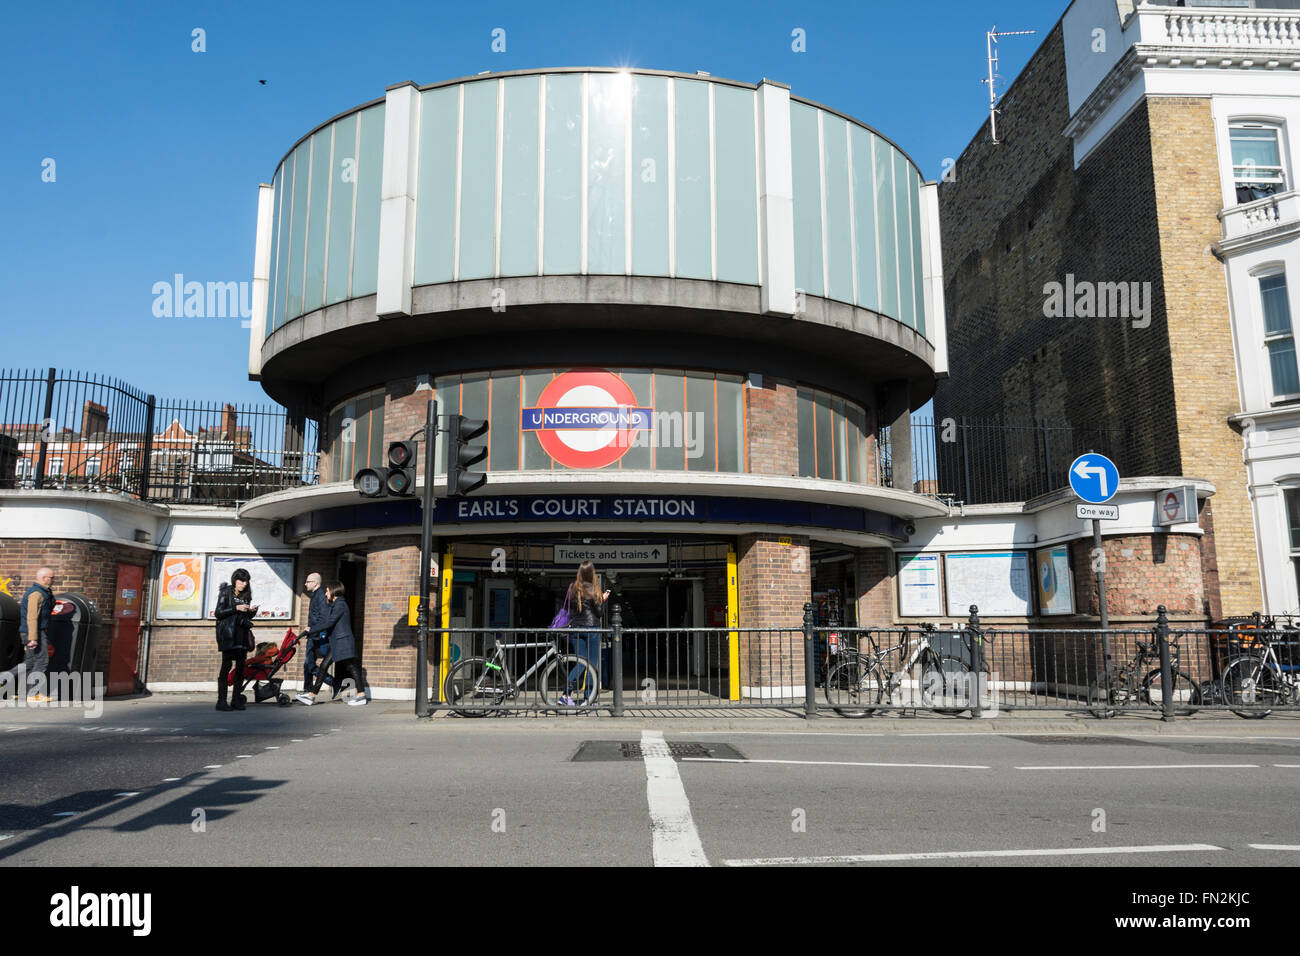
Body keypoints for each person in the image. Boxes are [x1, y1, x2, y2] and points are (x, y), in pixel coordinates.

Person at [305, 581, 367, 707]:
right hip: (337, 642)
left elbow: (329, 623)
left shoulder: (340, 605)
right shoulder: (336, 605)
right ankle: (311, 695)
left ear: (333, 591)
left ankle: (361, 696)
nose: (325, 594)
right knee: (324, 666)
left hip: (342, 642)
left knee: (351, 667)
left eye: (327, 591)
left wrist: (312, 629)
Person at [3, 567, 55, 702]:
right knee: (42, 661)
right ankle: (32, 694)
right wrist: (33, 638)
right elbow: (31, 616)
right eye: (52, 577)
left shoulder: (44, 592)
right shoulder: (36, 593)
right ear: (44, 578)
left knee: (30, 662)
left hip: (32, 632)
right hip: (35, 632)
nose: (53, 580)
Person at [561, 561, 608, 706]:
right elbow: (599, 613)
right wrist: (603, 599)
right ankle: (588, 699)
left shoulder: (572, 588)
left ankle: (565, 695)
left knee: (580, 663)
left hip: (576, 630)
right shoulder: (594, 589)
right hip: (592, 629)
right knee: (591, 665)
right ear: (592, 573)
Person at [213, 568, 257, 712]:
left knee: (240, 669)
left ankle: (236, 700)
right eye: (241, 581)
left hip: (241, 636)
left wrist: (252, 612)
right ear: (235, 580)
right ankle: (221, 701)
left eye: (246, 581)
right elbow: (218, 613)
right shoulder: (226, 592)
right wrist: (236, 607)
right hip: (228, 636)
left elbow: (244, 617)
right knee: (226, 667)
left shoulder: (246, 594)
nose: (244, 584)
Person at [295, 572, 338, 705]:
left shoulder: (320, 596)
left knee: (310, 665)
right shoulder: (316, 595)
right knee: (307, 665)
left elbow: (323, 618)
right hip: (313, 635)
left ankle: (334, 682)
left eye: (308, 582)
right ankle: (307, 690)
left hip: (317, 636)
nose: (305, 584)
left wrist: (312, 629)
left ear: (315, 583)